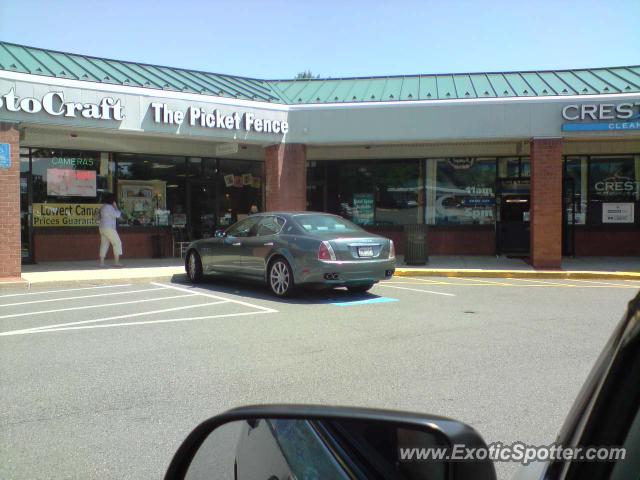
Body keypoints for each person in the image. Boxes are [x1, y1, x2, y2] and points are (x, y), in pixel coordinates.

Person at [98, 193, 124, 267]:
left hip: (102, 227)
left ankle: (102, 263)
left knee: (104, 244)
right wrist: (115, 207)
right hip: (109, 228)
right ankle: (116, 262)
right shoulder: (110, 207)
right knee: (117, 243)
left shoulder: (103, 207)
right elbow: (117, 215)